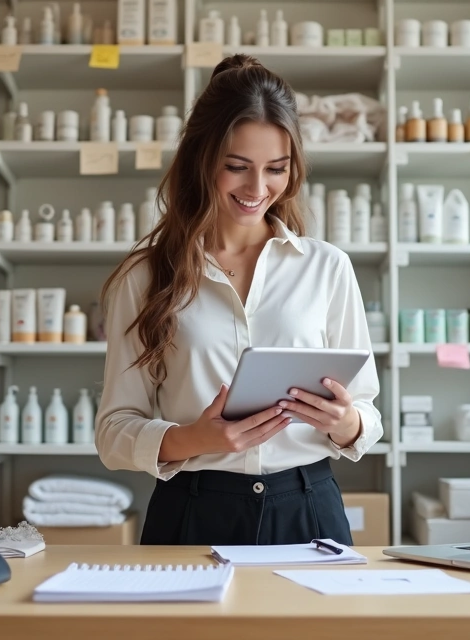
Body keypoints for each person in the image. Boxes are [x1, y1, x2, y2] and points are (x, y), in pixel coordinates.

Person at [95, 54, 383, 546]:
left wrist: (346, 421)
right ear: (201, 159)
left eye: (276, 168)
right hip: (191, 508)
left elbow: (368, 412)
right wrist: (194, 439)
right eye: (237, 167)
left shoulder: (326, 266)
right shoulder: (145, 275)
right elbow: (114, 431)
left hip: (308, 509)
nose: (257, 188)